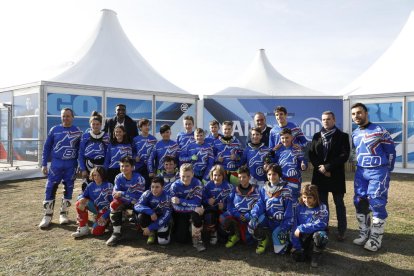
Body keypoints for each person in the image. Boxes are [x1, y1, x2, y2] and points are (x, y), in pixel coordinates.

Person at [351, 103, 396, 252]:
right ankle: (364, 233)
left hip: (378, 171)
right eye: (353, 114)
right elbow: (355, 152)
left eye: (359, 113)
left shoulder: (380, 131)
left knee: (376, 201)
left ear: (366, 113)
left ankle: (376, 237)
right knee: (359, 201)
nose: (356, 116)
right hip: (361, 172)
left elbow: (390, 152)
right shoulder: (355, 133)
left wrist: (387, 170)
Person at [308, 111, 350, 241]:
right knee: (322, 204)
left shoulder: (342, 136)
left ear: (334, 120)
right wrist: (320, 168)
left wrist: (328, 167)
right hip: (320, 176)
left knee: (339, 203)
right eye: (323, 119)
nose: (325, 121)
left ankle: (342, 231)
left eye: (328, 119)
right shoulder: (316, 136)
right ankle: (323, 227)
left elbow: (344, 155)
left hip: (335, 175)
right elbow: (311, 154)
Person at [39, 108, 82, 228]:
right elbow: (46, 147)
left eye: (68, 116)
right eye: (63, 116)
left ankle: (64, 214)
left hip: (71, 165)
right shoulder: (54, 130)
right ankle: (47, 215)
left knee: (69, 188)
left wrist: (79, 165)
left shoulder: (78, 131)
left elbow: (80, 150)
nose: (65, 118)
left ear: (73, 117)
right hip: (56, 164)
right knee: (50, 187)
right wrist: (43, 164)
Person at [248, 164, 293, 255]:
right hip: (269, 220)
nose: (271, 177)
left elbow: (290, 211)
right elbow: (260, 205)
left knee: (280, 251)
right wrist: (254, 216)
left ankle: (288, 241)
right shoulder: (264, 189)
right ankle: (263, 239)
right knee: (253, 224)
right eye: (269, 174)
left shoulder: (286, 189)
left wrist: (285, 227)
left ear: (279, 175)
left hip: (281, 222)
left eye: (274, 174)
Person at [106, 156, 146, 246]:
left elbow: (140, 197)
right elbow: (115, 194)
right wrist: (126, 196)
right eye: (122, 166)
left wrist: (123, 194)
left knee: (142, 217)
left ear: (132, 167)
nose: (124, 168)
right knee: (114, 205)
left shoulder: (139, 178)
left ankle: (140, 225)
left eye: (127, 166)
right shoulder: (118, 177)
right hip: (125, 201)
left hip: (137, 202)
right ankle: (116, 233)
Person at [221, 165, 260, 248]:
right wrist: (238, 214)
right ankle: (234, 234)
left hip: (249, 217)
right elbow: (230, 205)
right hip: (237, 216)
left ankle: (256, 237)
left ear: (249, 177)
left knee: (247, 242)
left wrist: (249, 215)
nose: (241, 179)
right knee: (223, 218)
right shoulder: (234, 190)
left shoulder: (256, 190)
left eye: (244, 177)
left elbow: (259, 205)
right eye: (239, 177)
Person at [291, 184, 329, 268]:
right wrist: (296, 245)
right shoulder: (299, 207)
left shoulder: (322, 207)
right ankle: (305, 250)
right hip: (303, 236)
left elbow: (321, 223)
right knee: (298, 257)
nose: (306, 200)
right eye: (304, 197)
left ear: (315, 197)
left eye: (309, 198)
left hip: (315, 234)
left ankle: (316, 255)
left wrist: (302, 228)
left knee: (320, 236)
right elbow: (294, 226)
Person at [170, 163, 204, 252]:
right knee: (181, 240)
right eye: (183, 176)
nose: (185, 179)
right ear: (179, 175)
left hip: (193, 211)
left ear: (193, 174)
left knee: (197, 214)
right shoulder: (174, 186)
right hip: (180, 213)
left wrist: (181, 201)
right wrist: (192, 207)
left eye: (188, 176)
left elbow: (197, 202)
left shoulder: (197, 183)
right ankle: (185, 228)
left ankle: (197, 240)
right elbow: (176, 208)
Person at [71, 167, 113, 238]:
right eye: (94, 175)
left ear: (103, 175)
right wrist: (81, 198)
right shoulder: (90, 186)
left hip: (106, 211)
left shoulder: (109, 186)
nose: (96, 177)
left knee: (96, 232)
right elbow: (82, 196)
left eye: (99, 175)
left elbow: (113, 203)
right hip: (96, 209)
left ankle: (108, 221)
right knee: (79, 203)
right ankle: (83, 228)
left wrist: (105, 215)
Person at [134, 176, 172, 245]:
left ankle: (168, 228)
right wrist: (150, 212)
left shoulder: (167, 197)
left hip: (162, 218)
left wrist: (150, 227)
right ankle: (152, 234)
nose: (154, 189)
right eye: (152, 187)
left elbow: (166, 216)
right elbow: (137, 206)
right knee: (141, 216)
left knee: (163, 242)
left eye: (157, 187)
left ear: (162, 187)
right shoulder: (147, 193)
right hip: (152, 216)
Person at [202, 165, 234, 245]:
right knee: (209, 215)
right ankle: (213, 232)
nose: (217, 177)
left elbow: (234, 202)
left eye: (219, 175)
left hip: (223, 212)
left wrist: (225, 206)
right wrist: (207, 201)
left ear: (223, 175)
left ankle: (224, 232)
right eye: (215, 175)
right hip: (212, 210)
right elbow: (201, 199)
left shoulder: (229, 186)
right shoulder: (208, 185)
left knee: (223, 240)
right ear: (211, 175)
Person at [273, 128, 307, 204]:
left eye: (287, 137)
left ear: (291, 137)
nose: (285, 140)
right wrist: (272, 151)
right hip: (281, 180)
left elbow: (303, 160)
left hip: (294, 180)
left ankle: (294, 215)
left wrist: (303, 164)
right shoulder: (278, 150)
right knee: (282, 200)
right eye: (282, 138)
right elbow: (273, 161)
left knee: (293, 200)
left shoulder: (297, 149)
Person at [78, 111, 110, 191]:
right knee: (87, 188)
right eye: (93, 124)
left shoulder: (106, 136)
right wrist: (83, 169)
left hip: (101, 165)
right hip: (88, 165)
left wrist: (105, 167)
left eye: (97, 124)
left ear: (101, 125)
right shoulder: (85, 136)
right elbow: (81, 153)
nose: (95, 126)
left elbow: (108, 153)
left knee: (101, 188)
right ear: (90, 125)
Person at [213, 121, 242, 185]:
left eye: (229, 129)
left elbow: (242, 157)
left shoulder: (237, 142)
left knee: (234, 190)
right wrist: (217, 159)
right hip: (221, 172)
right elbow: (211, 157)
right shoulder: (216, 142)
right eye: (225, 129)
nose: (227, 131)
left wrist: (236, 157)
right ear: (222, 130)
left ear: (232, 130)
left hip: (234, 172)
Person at [133, 118, 157, 190]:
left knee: (148, 186)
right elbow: (132, 151)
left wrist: (154, 169)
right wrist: (135, 157)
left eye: (148, 125)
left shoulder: (153, 139)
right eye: (144, 126)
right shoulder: (136, 139)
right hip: (138, 166)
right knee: (138, 185)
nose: (147, 127)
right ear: (140, 127)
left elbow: (156, 155)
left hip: (149, 168)